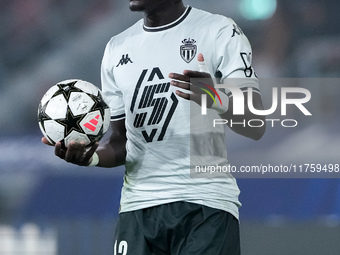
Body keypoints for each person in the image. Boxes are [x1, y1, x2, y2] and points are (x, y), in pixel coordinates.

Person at [42, 0, 265, 254]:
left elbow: (255, 123)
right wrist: (90, 157)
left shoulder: (219, 31)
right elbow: (120, 142)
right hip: (138, 210)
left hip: (204, 204)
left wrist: (214, 97)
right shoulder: (117, 48)